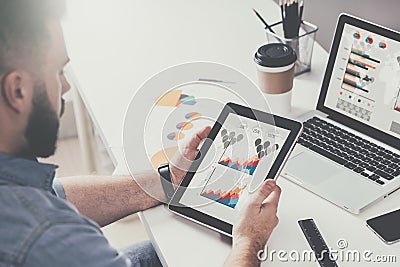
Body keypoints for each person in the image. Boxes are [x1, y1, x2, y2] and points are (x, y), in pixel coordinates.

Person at [0, 0, 281, 266]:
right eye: (58, 72)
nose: (65, 87)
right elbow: (46, 218)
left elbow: (53, 193)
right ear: (18, 90)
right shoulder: (48, 234)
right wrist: (248, 239)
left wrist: (170, 180)